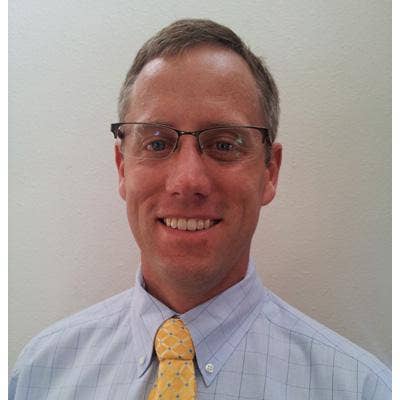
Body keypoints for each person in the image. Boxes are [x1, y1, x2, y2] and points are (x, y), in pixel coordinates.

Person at [9, 19, 391, 400]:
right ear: (122, 168)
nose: (187, 180)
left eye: (224, 144)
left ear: (269, 173)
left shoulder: (361, 389)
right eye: (157, 144)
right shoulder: (41, 373)